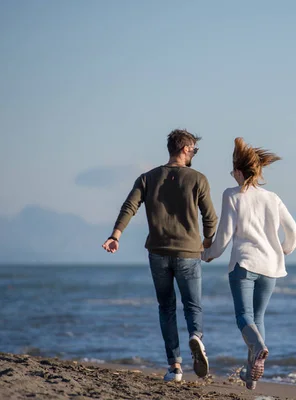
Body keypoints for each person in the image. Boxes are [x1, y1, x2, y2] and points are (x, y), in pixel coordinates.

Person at [102, 129, 218, 382]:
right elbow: (210, 217)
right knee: (192, 305)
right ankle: (196, 337)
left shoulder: (148, 178)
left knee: (166, 307)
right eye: (194, 150)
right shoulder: (198, 179)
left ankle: (175, 367)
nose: (194, 155)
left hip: (158, 253)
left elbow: (129, 206)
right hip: (188, 251)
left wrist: (115, 235)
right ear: (186, 149)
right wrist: (207, 242)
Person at [202, 137, 296, 390]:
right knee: (258, 318)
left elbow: (223, 237)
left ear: (238, 170)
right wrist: (284, 250)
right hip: (271, 266)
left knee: (244, 318)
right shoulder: (272, 197)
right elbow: (293, 232)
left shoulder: (232, 195)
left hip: (244, 265)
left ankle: (257, 349)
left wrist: (207, 255)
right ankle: (250, 375)